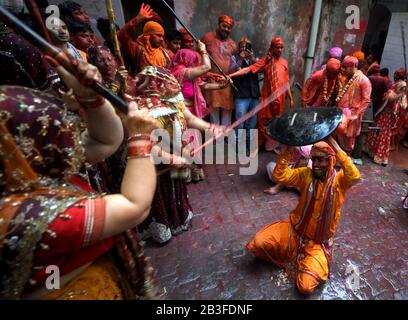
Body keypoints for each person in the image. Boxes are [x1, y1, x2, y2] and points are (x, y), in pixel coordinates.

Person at [0, 61, 160, 299]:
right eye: (63, 133)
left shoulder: (27, 178)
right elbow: (135, 206)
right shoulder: (35, 216)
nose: (72, 140)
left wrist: (90, 99)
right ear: (30, 149)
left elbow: (106, 141)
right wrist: (140, 138)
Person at [247, 136, 361, 295]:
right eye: (313, 160)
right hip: (294, 232)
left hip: (318, 244)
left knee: (305, 287)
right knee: (258, 244)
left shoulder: (339, 182)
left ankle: (306, 263)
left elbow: (355, 176)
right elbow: (280, 176)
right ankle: (296, 258)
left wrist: (334, 144)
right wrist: (288, 151)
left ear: (330, 161)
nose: (316, 165)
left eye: (320, 160)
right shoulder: (306, 174)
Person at [132, 66, 225, 244]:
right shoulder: (140, 110)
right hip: (154, 163)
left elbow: (189, 118)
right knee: (159, 193)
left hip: (177, 156)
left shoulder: (173, 101)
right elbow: (144, 143)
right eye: (167, 82)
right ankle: (160, 228)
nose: (174, 85)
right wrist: (171, 158)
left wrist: (212, 128)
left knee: (176, 187)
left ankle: (177, 220)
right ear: (155, 85)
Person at [168, 42, 231, 182]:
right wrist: (203, 52)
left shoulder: (189, 73)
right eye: (194, 61)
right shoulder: (180, 71)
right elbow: (206, 67)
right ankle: (185, 174)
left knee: (194, 141)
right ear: (186, 60)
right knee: (185, 143)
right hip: (182, 114)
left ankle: (195, 171)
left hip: (192, 111)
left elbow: (202, 85)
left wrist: (222, 85)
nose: (195, 64)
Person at [229, 37, 295, 152]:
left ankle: (269, 145)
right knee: (254, 122)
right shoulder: (265, 60)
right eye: (277, 47)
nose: (279, 50)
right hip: (260, 97)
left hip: (273, 98)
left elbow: (286, 81)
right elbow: (247, 70)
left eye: (281, 47)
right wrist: (230, 76)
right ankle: (248, 146)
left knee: (271, 122)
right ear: (272, 48)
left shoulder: (283, 62)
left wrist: (291, 98)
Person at [201, 15, 237, 127]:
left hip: (226, 82)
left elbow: (234, 63)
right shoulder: (207, 38)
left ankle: (225, 136)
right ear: (219, 25)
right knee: (213, 112)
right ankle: (215, 137)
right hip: (212, 81)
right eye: (224, 26)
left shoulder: (233, 45)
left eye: (229, 27)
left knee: (227, 111)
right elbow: (198, 55)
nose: (226, 29)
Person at [334, 56, 372, 161]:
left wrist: (355, 116)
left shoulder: (364, 80)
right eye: (343, 67)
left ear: (354, 66)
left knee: (348, 141)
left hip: (352, 115)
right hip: (341, 113)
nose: (344, 70)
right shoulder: (347, 78)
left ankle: (345, 163)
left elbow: (366, 100)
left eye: (346, 67)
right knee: (338, 138)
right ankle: (338, 161)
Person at [117, 3, 171, 74]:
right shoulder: (137, 49)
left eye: (162, 36)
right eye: (158, 35)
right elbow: (121, 36)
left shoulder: (166, 53)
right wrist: (136, 20)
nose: (161, 39)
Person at [365, 77, 407, 166]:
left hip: (390, 120)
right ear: (398, 87)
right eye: (402, 88)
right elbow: (389, 98)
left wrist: (403, 97)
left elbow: (403, 106)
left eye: (404, 89)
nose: (403, 90)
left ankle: (381, 156)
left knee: (385, 137)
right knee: (379, 134)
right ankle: (373, 152)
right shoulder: (390, 93)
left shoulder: (401, 96)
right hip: (383, 117)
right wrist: (399, 96)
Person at [230, 37, 261, 149]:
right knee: (240, 121)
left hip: (254, 95)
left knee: (252, 122)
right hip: (241, 95)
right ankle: (238, 144)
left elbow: (260, 69)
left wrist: (252, 58)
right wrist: (240, 61)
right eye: (242, 46)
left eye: (246, 46)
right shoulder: (234, 58)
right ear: (239, 47)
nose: (244, 48)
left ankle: (249, 143)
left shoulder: (254, 58)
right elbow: (232, 71)